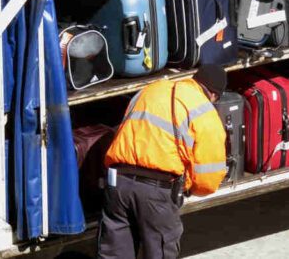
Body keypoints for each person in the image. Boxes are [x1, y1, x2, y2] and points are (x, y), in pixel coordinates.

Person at [97, 64, 228, 259]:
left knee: (115, 254)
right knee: (160, 250)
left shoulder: (151, 89)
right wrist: (188, 187)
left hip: (118, 184)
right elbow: (208, 179)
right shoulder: (203, 109)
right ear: (214, 95)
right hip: (156, 191)